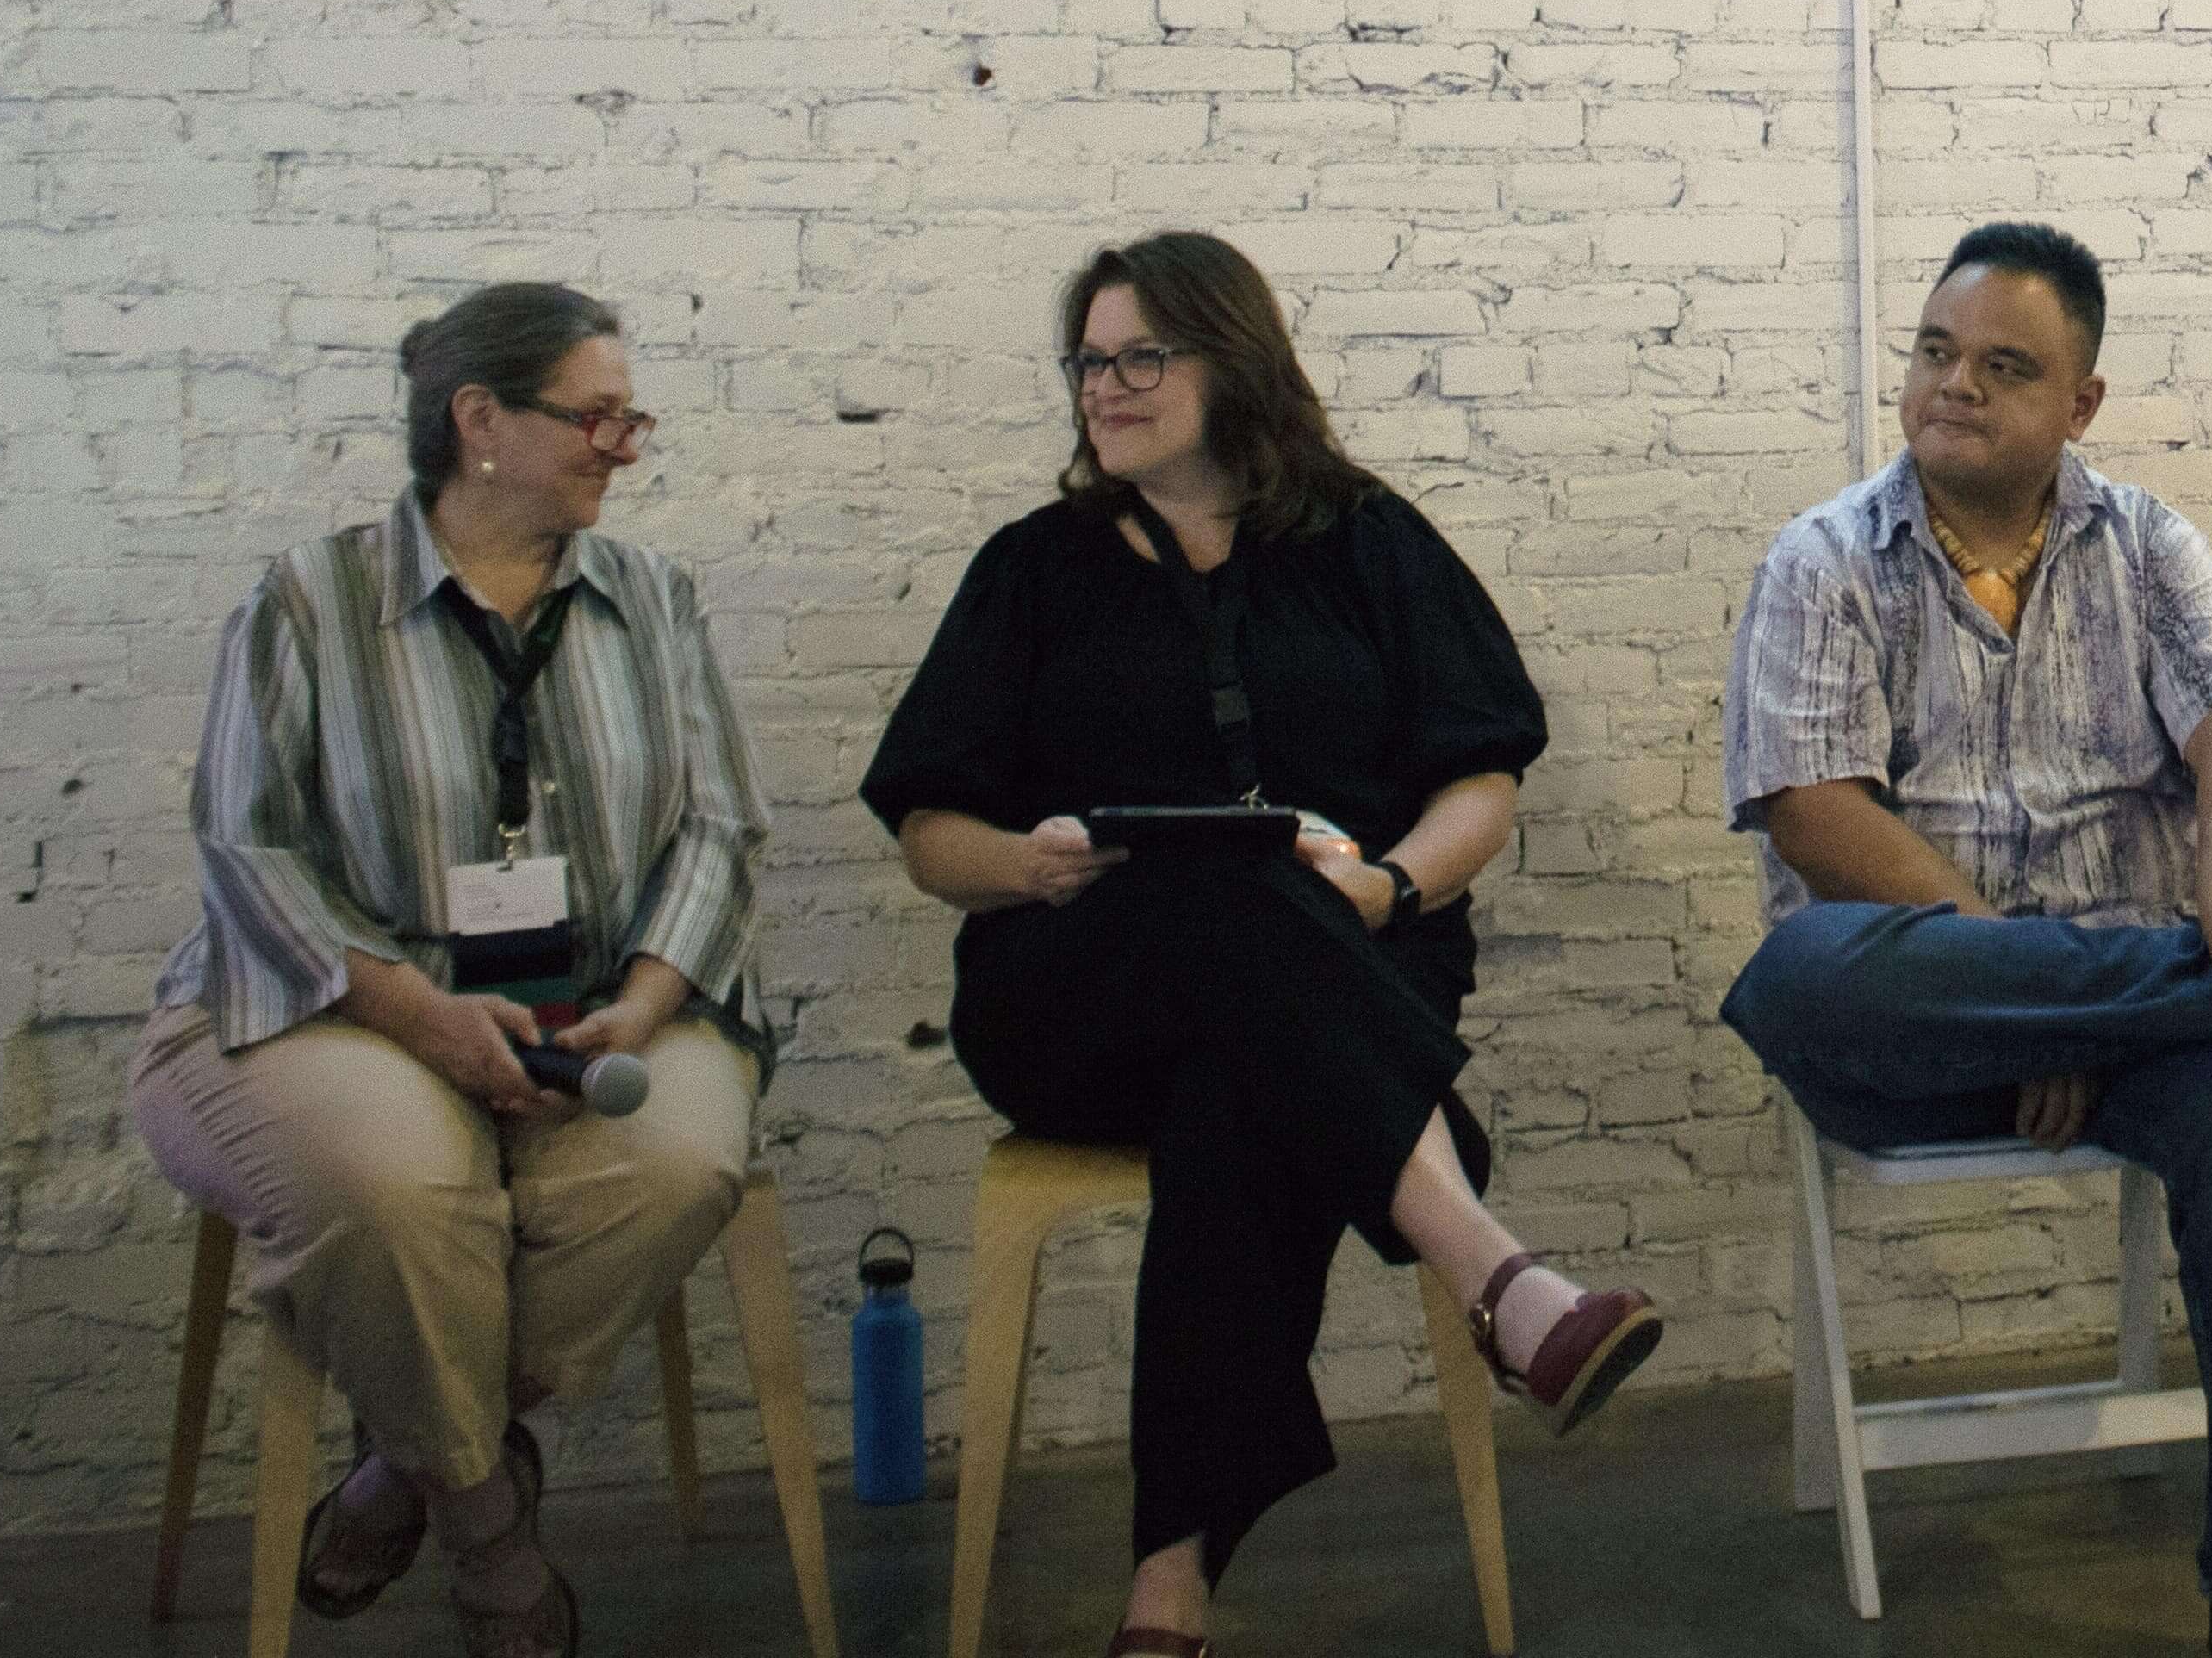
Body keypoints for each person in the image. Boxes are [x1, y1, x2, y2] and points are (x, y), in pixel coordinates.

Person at [865, 233, 1657, 1658]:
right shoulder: (1031, 572)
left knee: (1246, 1094)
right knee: (1223, 886)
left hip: (1348, 969)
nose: (1105, 389)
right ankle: (1500, 1278)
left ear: (1232, 363)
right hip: (1078, 991)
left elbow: (1484, 778)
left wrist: (1392, 891)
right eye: (1089, 363)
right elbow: (931, 834)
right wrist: (1033, 867)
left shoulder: (1366, 541)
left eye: (1139, 358)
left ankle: (1164, 1601)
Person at [1721, 222, 2212, 1658]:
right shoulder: (1822, 560)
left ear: (2081, 403)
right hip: (1925, 1021)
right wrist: (2050, 1002)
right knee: (1795, 975)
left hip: (2151, 1030)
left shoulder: (2147, 542)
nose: (1956, 386)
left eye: (2005, 367)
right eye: (1937, 353)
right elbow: (1814, 816)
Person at [130, 283, 770, 1658]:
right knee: (394, 1189)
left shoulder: (654, 600)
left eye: (628, 416)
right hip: (331, 1003)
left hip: (604, 994)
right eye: (597, 416)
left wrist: (646, 1005)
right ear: (479, 422)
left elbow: (723, 829)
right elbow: (245, 848)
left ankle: (404, 1463)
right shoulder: (311, 601)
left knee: (676, 1169)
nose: (625, 446)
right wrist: (418, 1015)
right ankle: (490, 1537)